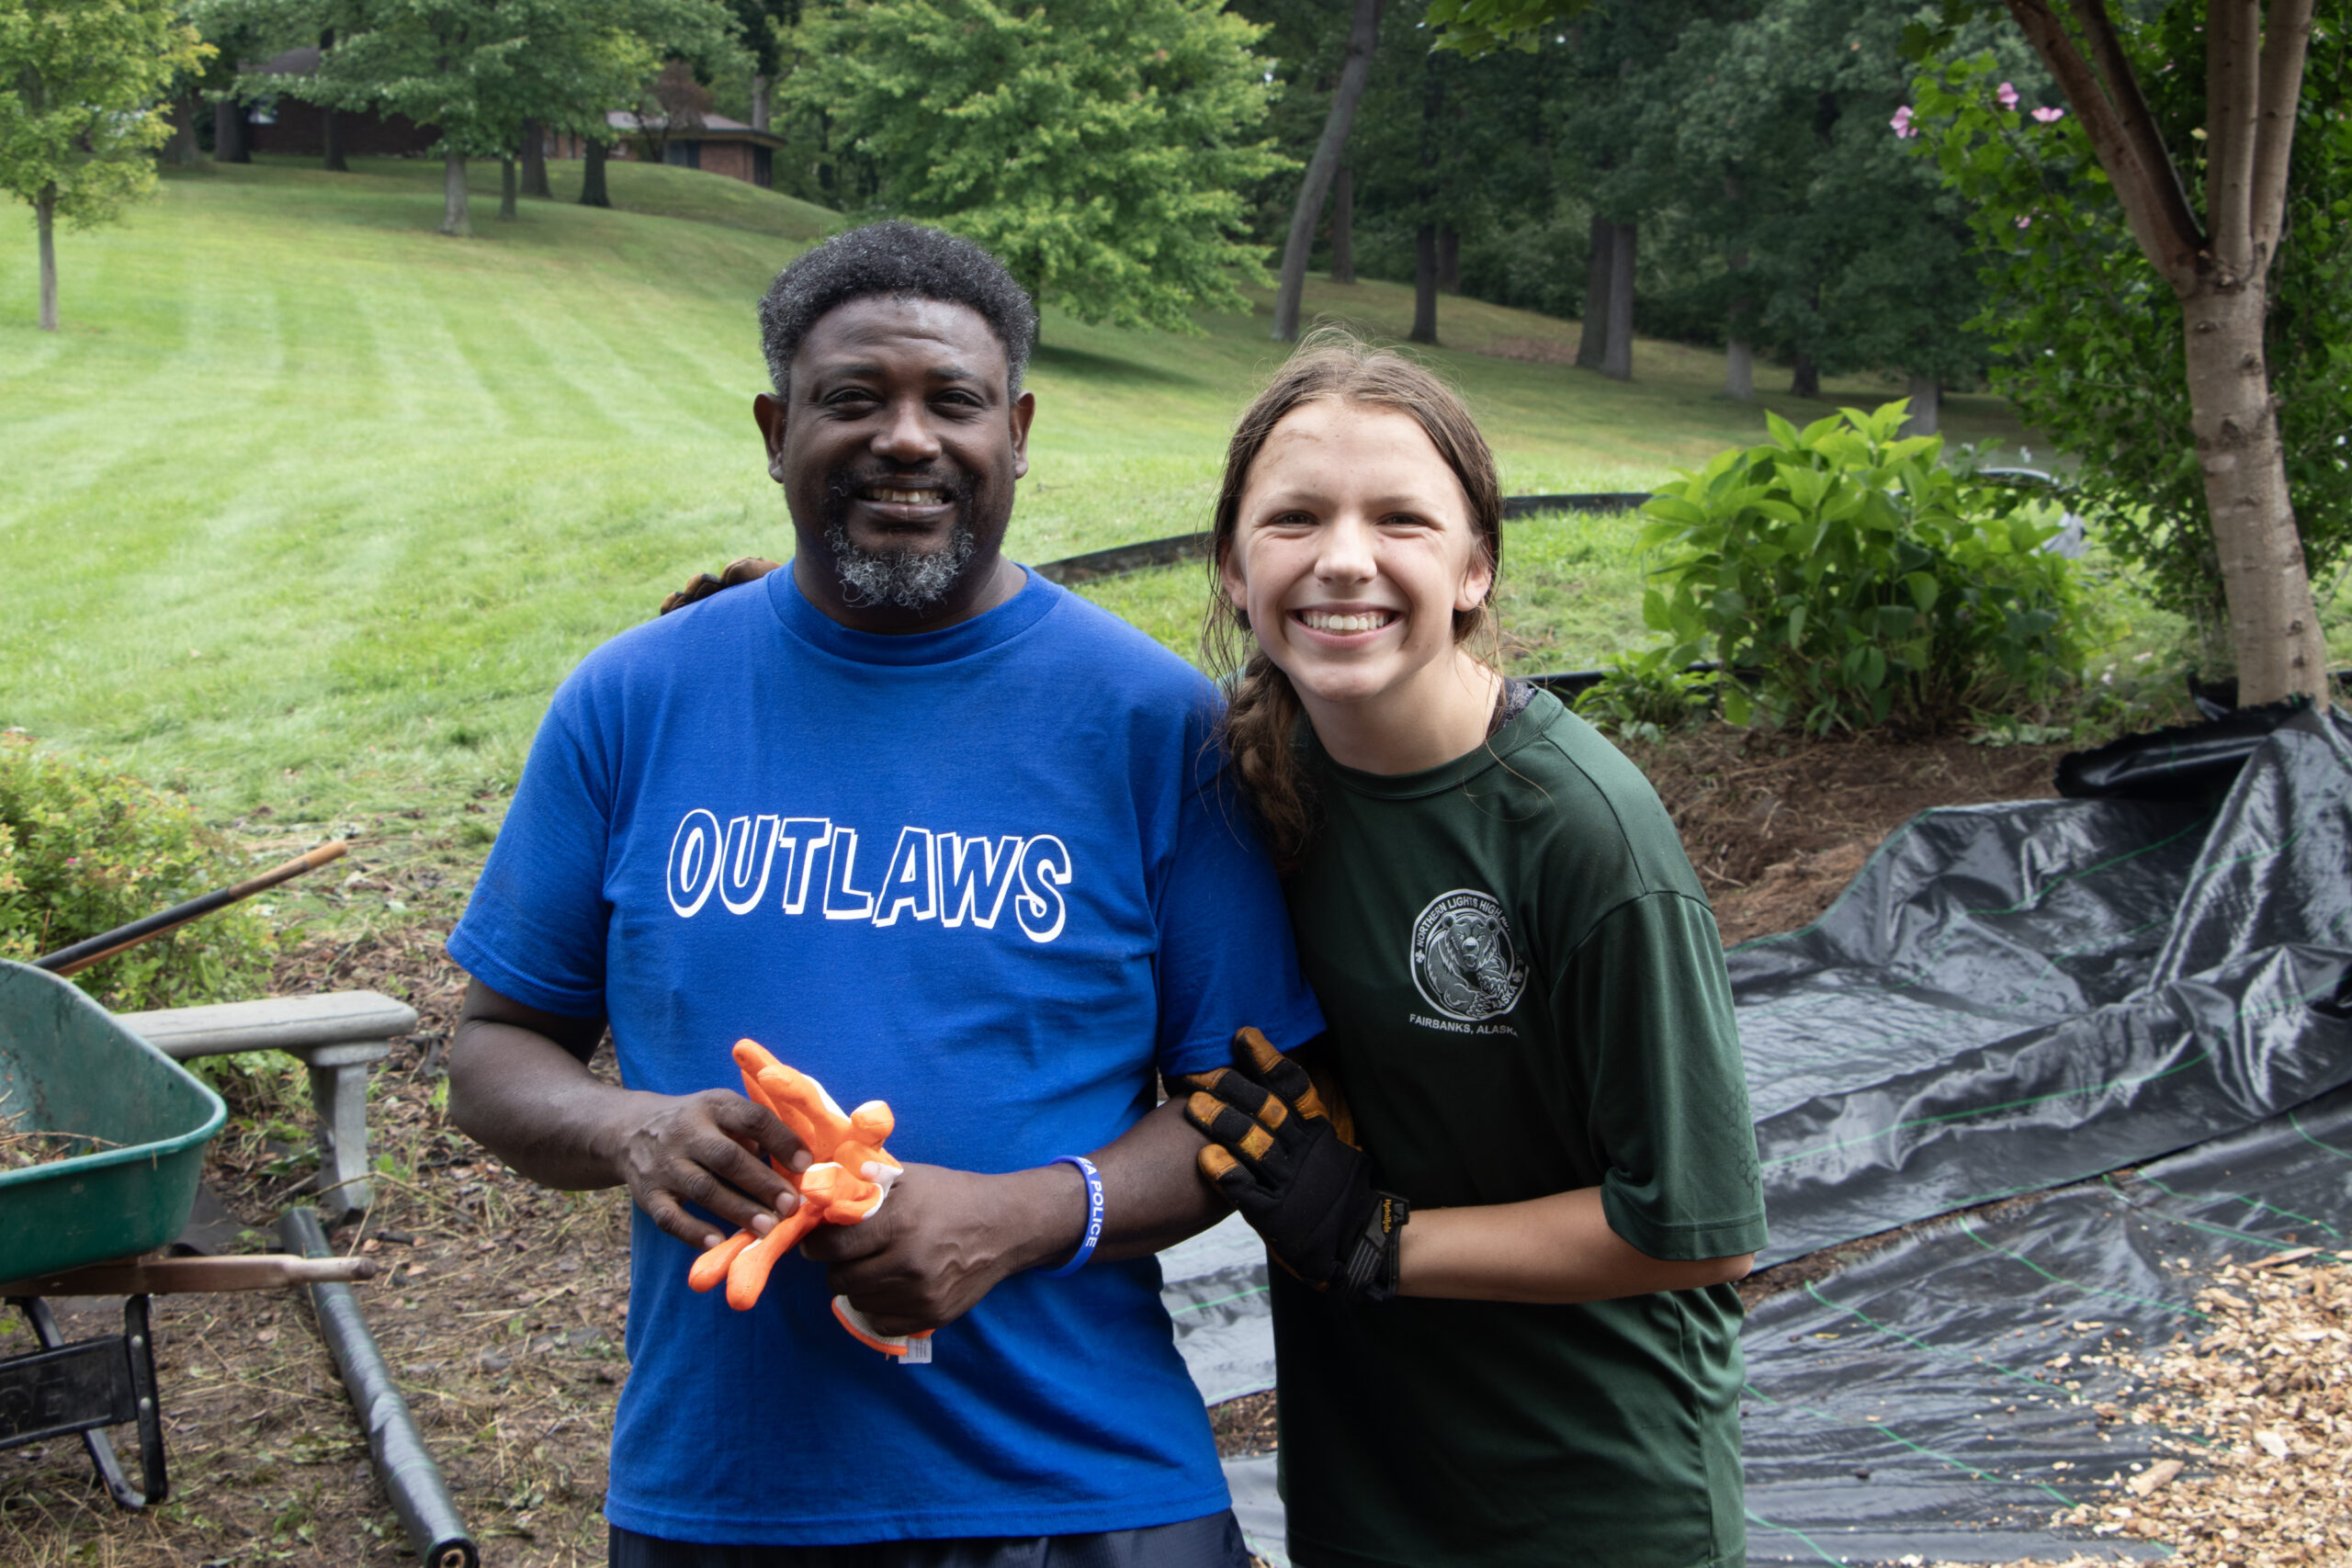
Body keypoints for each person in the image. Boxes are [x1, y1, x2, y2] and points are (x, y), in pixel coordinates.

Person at [444, 221, 1323, 1565]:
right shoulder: (633, 700)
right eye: (854, 398)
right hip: (732, 1490)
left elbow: (1257, 1100)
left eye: (952, 401)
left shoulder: (1154, 727)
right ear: (775, 429)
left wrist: (1018, 1220)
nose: (906, 439)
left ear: (1016, 432)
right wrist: (633, 1130)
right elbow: (496, 1049)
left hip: (1088, 1497)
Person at [1179, 333, 1768, 1568]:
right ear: (1233, 565)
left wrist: (1376, 1235)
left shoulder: (1580, 830)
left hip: (1594, 1505)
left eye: (1400, 518)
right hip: (1362, 1498)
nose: (1345, 558)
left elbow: (1698, 1227)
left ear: (1475, 566)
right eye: (1295, 518)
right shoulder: (1240, 787)